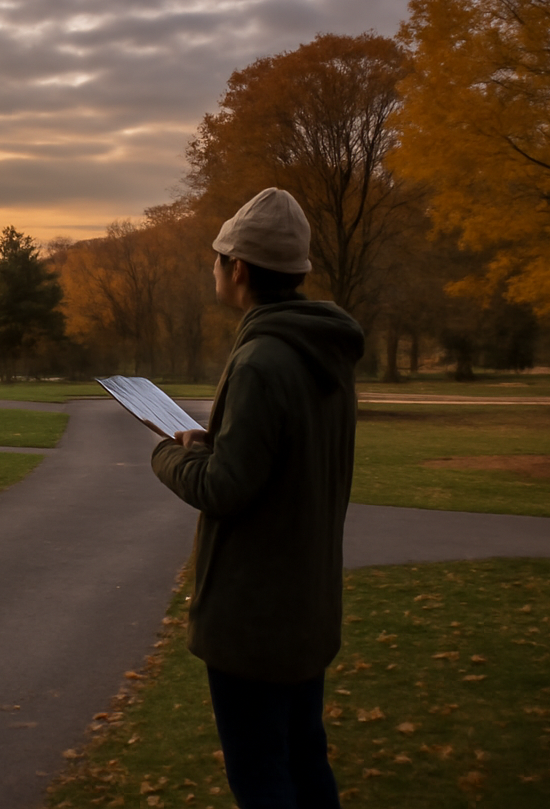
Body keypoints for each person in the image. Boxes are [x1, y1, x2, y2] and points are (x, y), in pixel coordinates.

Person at [151, 188, 364, 809]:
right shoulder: (322, 352)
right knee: (304, 759)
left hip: (253, 617)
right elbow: (280, 460)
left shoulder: (261, 359)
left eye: (218, 259)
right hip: (306, 606)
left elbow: (224, 488)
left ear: (238, 269)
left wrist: (169, 451)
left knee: (262, 777)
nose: (214, 269)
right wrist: (212, 441)